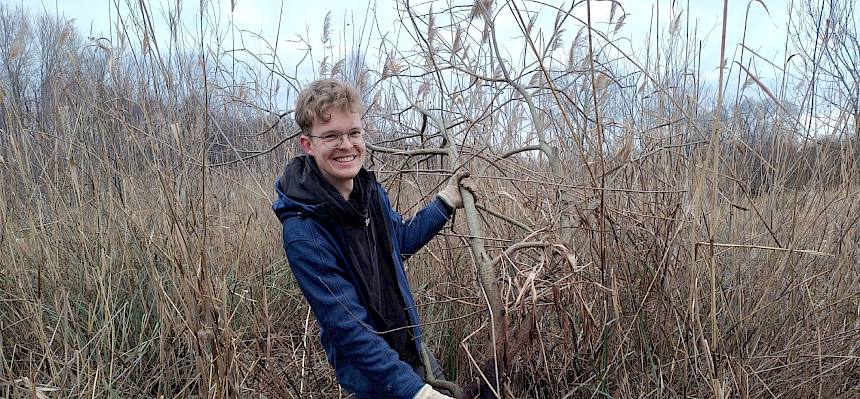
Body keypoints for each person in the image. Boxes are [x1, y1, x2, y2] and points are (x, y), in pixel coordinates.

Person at [272, 78, 474, 399]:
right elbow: (350, 329)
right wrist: (416, 392)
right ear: (308, 144)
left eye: (353, 133)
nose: (347, 145)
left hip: (413, 349)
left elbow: (401, 241)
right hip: (375, 378)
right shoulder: (305, 231)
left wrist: (445, 202)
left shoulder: (369, 191)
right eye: (331, 136)